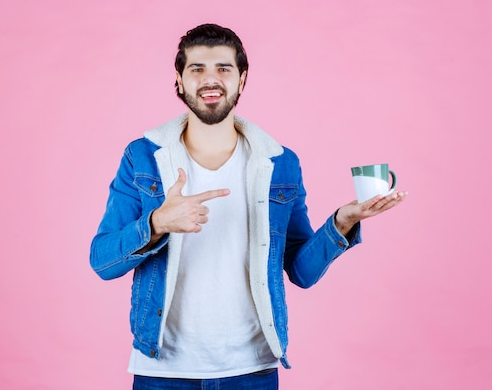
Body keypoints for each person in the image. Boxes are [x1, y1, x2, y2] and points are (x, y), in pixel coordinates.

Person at [90, 23, 407, 390]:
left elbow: (301, 272)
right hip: (164, 372)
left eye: (224, 69)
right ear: (179, 80)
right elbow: (102, 261)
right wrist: (157, 222)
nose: (211, 80)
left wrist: (343, 222)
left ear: (242, 80)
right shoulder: (142, 157)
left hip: (252, 371)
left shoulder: (278, 162)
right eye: (197, 69)